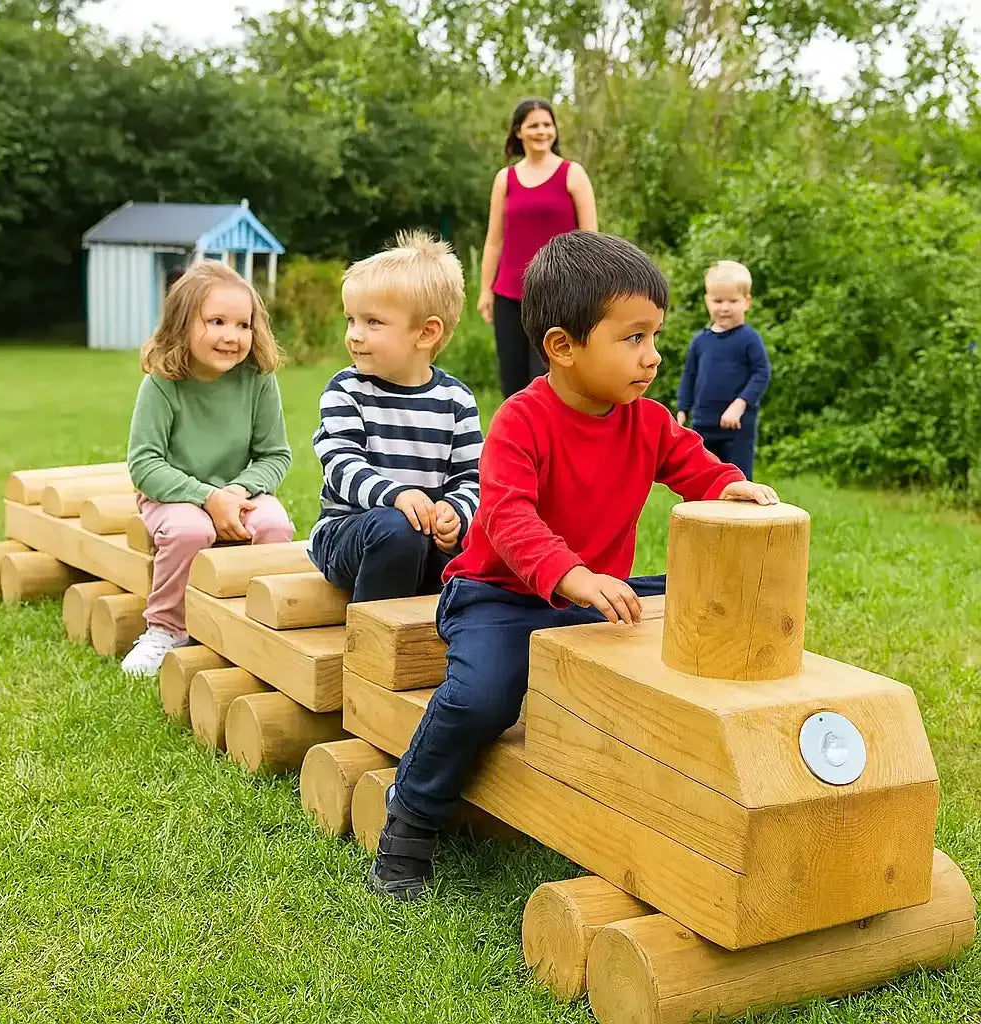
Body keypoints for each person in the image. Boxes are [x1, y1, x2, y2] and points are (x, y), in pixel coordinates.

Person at [366, 230, 780, 902]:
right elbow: (507, 517)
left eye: (654, 337)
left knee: (694, 612)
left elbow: (691, 463)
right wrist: (573, 575)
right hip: (499, 597)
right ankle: (409, 822)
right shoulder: (522, 421)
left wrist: (727, 483)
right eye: (633, 338)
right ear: (562, 346)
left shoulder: (644, 421)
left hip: (587, 598)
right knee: (481, 698)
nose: (651, 357)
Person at [122, 261, 295, 676]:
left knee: (275, 525)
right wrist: (208, 497)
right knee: (191, 530)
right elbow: (145, 464)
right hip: (173, 496)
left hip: (238, 492)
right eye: (216, 321)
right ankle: (166, 628)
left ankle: (257, 624)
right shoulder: (163, 383)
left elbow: (276, 454)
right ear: (184, 323)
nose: (231, 336)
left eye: (242, 324)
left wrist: (236, 492)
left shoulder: (257, 379)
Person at [308, 231, 483, 603]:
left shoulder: (456, 400)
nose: (354, 335)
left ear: (426, 332)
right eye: (350, 320)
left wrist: (456, 512)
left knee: (478, 543)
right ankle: (374, 638)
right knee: (398, 528)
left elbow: (473, 478)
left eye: (372, 322)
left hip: (424, 537)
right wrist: (397, 495)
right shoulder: (346, 390)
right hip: (350, 533)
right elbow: (340, 466)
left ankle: (445, 634)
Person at [477, 97, 598, 399]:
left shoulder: (573, 174)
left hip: (558, 295)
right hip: (509, 295)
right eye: (533, 126)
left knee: (546, 380)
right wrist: (485, 291)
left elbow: (591, 239)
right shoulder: (505, 179)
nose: (541, 131)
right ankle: (515, 444)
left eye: (547, 125)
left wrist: (590, 289)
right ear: (518, 132)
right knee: (513, 381)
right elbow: (494, 241)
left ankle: (549, 444)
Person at [675, 260, 771, 480]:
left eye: (733, 301)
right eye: (718, 300)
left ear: (746, 302)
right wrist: (682, 409)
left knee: (738, 483)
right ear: (707, 301)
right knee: (703, 480)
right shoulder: (700, 341)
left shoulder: (749, 339)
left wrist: (740, 404)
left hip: (737, 429)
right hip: (703, 425)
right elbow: (689, 376)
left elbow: (762, 373)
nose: (725, 307)